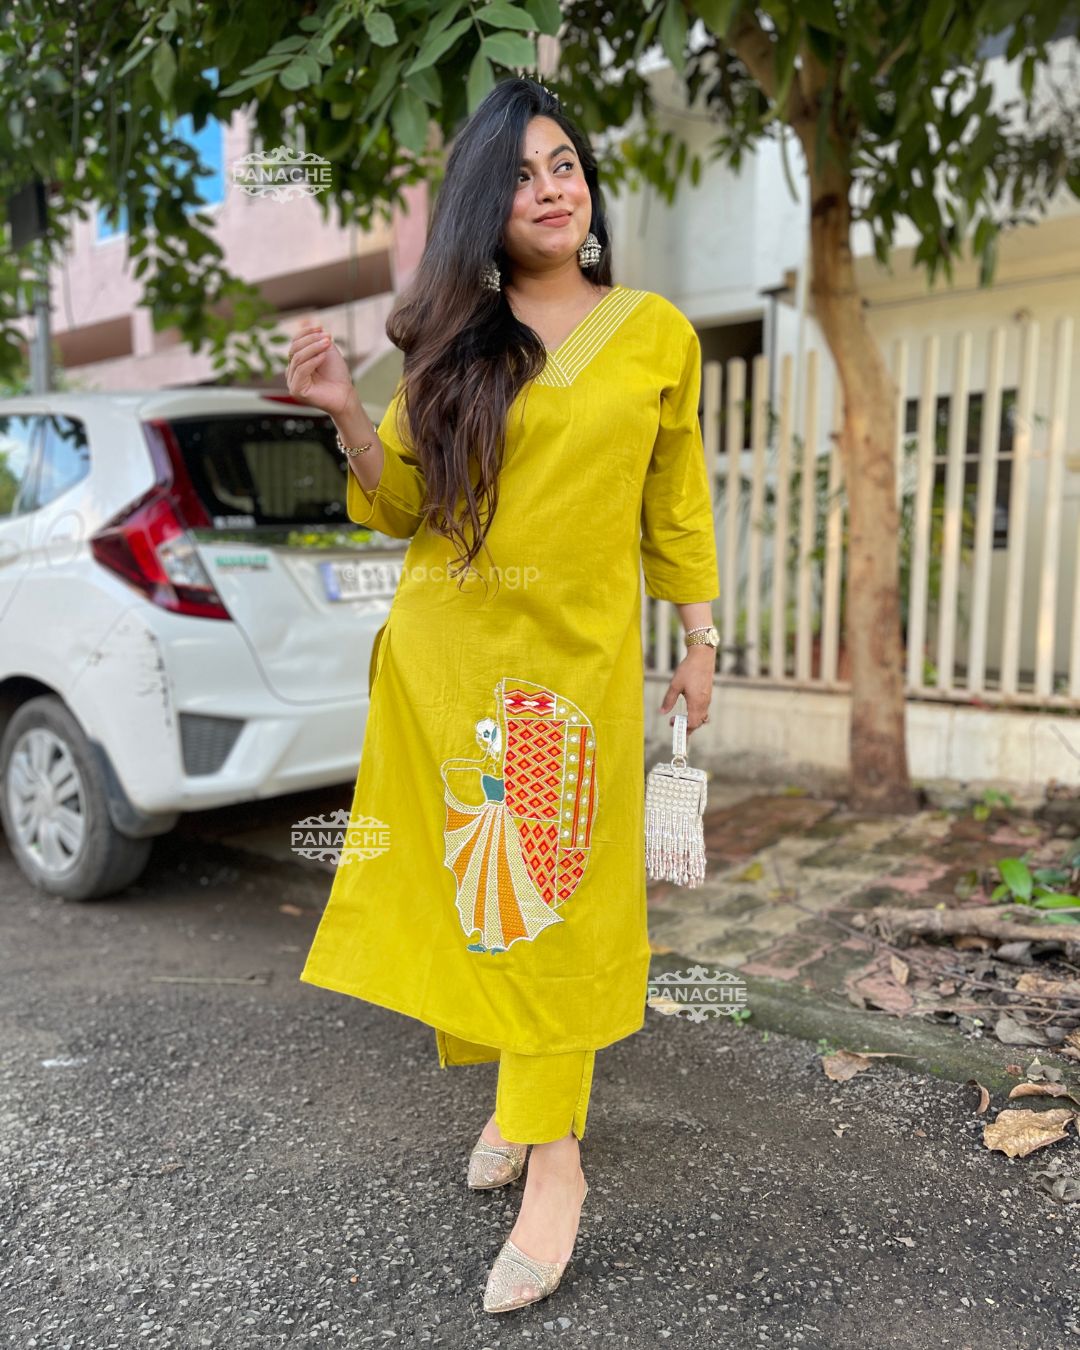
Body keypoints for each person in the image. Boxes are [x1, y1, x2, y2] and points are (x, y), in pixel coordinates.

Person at [287, 75, 720, 1315]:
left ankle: (554, 1159)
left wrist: (700, 635)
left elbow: (675, 502)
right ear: (488, 203)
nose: (551, 187)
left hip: (573, 679)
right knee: (487, 901)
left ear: (589, 186)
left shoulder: (654, 334)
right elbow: (400, 506)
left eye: (565, 163)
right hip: (448, 668)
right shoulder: (454, 341)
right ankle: (528, 1114)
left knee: (555, 911)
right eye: (522, 173)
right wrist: (344, 413)